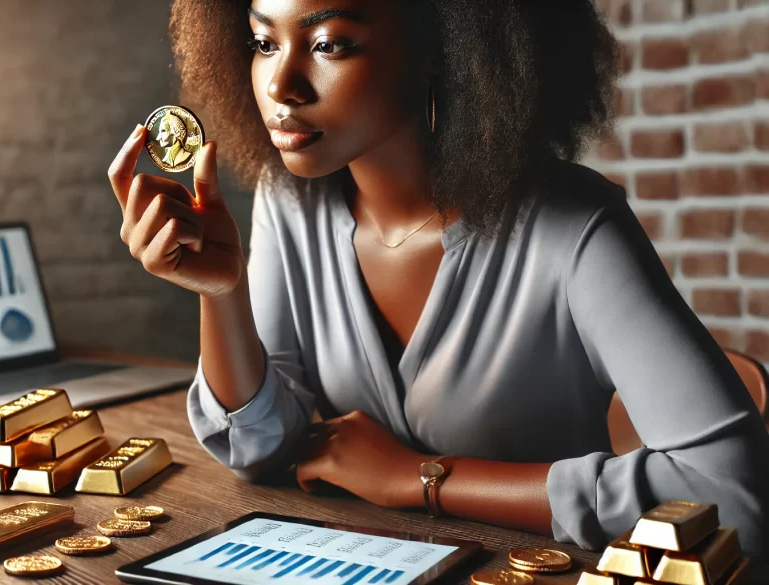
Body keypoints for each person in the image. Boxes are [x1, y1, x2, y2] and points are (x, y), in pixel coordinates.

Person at [108, 0, 769, 556]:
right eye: (262, 41)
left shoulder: (573, 229)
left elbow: (734, 492)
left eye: (330, 44)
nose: (282, 85)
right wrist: (221, 292)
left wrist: (418, 478)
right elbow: (258, 446)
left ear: (439, 47)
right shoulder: (293, 205)